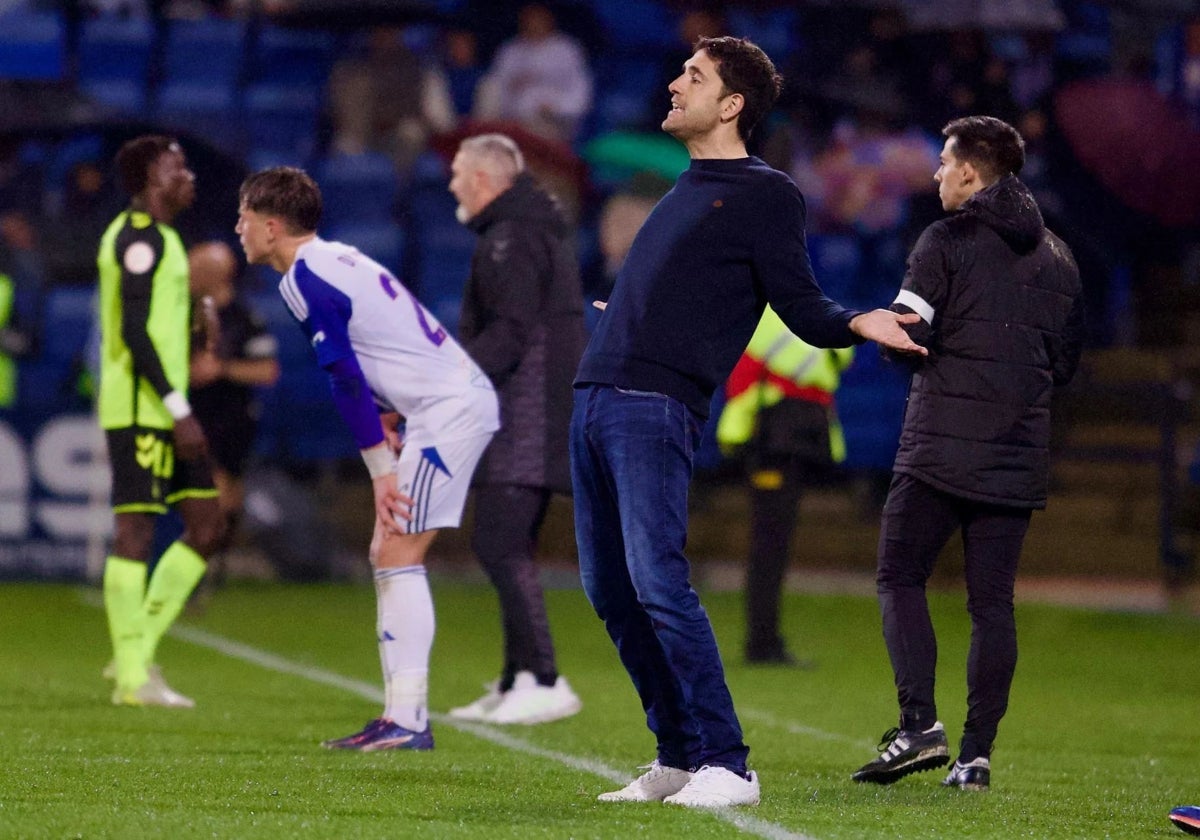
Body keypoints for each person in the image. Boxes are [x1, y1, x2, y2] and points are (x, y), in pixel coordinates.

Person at [569, 36, 926, 809]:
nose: (672, 83)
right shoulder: (684, 188)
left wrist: (858, 321)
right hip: (599, 393)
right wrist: (620, 317)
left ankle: (728, 762)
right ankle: (676, 755)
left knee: (658, 582)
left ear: (732, 105)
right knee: (609, 589)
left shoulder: (766, 193)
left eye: (692, 77)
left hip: (652, 406)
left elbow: (799, 305)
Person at [850, 115, 1083, 792]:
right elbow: (1065, 363)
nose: (935, 174)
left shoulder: (944, 239)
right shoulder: (1061, 257)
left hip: (941, 444)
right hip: (1017, 451)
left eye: (944, 162)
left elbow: (906, 333)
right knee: (992, 604)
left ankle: (919, 722)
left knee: (899, 575)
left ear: (971, 174)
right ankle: (975, 758)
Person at [235, 166, 499, 751]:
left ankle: (407, 722)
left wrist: (380, 471)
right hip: (440, 403)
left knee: (397, 546)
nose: (239, 230)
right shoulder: (331, 261)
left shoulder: (307, 275)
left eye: (244, 218)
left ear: (272, 226)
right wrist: (386, 407)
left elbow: (345, 377)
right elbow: (376, 348)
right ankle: (401, 718)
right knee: (390, 549)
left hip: (448, 408)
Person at [445, 133, 584, 725]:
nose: (451, 183)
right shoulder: (526, 230)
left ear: (483, 179)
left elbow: (510, 331)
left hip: (524, 412)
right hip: (527, 408)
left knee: (500, 541)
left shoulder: (512, 237)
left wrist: (444, 379)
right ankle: (517, 677)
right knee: (506, 542)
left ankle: (546, 678)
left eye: (457, 172)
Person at [97, 135, 225, 707]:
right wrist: (178, 409)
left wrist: (195, 318)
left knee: (207, 527)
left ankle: (135, 651)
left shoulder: (169, 238)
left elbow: (156, 320)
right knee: (136, 533)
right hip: (141, 408)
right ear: (152, 176)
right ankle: (131, 677)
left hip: (168, 406)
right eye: (177, 167)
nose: (188, 175)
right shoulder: (136, 240)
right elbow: (131, 332)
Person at [715, 305, 855, 666]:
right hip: (777, 444)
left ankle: (763, 640)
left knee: (770, 547)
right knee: (768, 548)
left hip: (776, 441)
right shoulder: (794, 319)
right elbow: (841, 354)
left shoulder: (766, 322)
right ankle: (762, 643)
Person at [187, 240, 280, 588]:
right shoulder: (186, 316)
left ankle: (212, 562)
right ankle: (204, 563)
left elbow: (267, 370)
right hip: (192, 414)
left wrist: (221, 369)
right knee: (205, 489)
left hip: (231, 415)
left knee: (225, 489)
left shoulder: (244, 320)